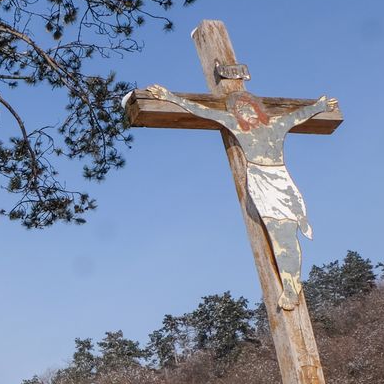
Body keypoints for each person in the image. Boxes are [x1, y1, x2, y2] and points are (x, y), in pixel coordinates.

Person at [144, 85, 337, 310]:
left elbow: (298, 115)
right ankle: (289, 287)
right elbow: (203, 111)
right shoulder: (235, 125)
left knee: (289, 234)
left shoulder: (276, 124)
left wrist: (320, 106)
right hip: (260, 181)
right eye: (240, 110)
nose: (245, 112)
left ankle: (293, 281)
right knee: (278, 234)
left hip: (281, 180)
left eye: (248, 107)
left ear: (257, 108)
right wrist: (170, 97)